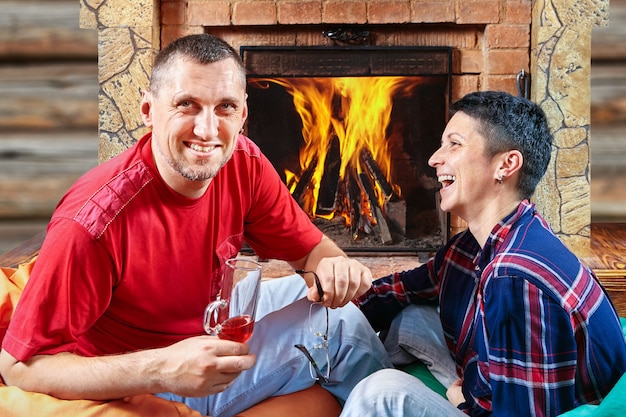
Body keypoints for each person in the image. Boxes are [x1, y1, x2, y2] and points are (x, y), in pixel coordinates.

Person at [0, 34, 391, 416]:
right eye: (186, 104)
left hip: (210, 323)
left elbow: (312, 253)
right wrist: (164, 368)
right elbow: (17, 367)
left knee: (320, 304)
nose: (207, 130)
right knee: (343, 334)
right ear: (148, 111)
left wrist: (336, 268)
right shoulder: (93, 223)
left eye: (224, 107)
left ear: (243, 114)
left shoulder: (244, 162)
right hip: (152, 377)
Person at [340, 91, 626, 417]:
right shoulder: (476, 244)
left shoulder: (515, 278)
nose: (435, 158)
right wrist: (332, 311)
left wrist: (463, 401)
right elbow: (398, 290)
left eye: (454, 144)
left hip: (521, 407)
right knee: (408, 317)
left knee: (381, 394)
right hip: (486, 378)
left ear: (506, 164)